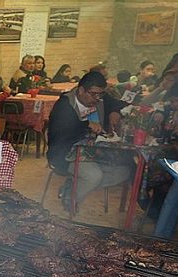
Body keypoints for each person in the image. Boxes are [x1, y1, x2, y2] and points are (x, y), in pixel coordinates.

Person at [47, 71, 131, 208]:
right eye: (93, 94)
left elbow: (121, 103)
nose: (97, 98)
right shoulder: (64, 105)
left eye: (100, 94)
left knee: (123, 171)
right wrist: (86, 125)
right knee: (94, 176)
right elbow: (62, 132)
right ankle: (70, 198)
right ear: (81, 90)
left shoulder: (100, 99)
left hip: (94, 151)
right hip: (65, 154)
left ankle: (73, 185)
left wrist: (115, 111)